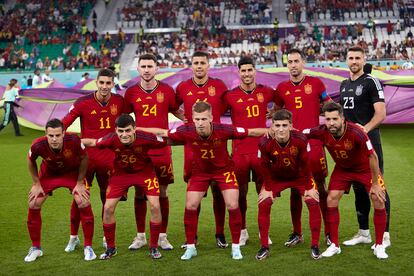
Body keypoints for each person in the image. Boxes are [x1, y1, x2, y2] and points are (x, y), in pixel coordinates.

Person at [139, 101, 268, 260]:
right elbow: (162, 132)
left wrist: (272, 131)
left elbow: (252, 132)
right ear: (192, 118)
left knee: (232, 204)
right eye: (197, 119)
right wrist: (137, 129)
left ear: (211, 118)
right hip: (200, 173)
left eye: (203, 119)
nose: (200, 123)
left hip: (223, 172)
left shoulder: (223, 129)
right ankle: (191, 246)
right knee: (191, 205)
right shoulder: (186, 130)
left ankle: (235, 247)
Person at [304, 102, 388, 259]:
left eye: (334, 119)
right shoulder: (322, 131)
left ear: (342, 119)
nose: (331, 123)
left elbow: (373, 156)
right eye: (327, 119)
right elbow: (301, 133)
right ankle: (335, 245)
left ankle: (379, 245)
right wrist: (278, 131)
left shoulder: (357, 132)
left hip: (364, 169)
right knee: (331, 198)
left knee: (378, 198)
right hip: (343, 169)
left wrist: (376, 184)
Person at [82, 114, 165, 260]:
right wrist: (72, 141)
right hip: (120, 175)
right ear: (116, 130)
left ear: (134, 129)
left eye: (127, 130)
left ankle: (153, 247)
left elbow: (167, 140)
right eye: (121, 131)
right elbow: (93, 142)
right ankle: (111, 248)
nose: (124, 134)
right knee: (107, 208)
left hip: (145, 173)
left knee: (155, 206)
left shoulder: (146, 137)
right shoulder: (111, 139)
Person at [62, 68, 126, 251]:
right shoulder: (83, 102)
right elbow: (64, 124)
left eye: (108, 83)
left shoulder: (120, 102)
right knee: (79, 198)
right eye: (102, 82)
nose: (105, 86)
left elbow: (132, 120)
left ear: (113, 84)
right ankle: (73, 237)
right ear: (96, 83)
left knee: (108, 198)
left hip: (110, 158)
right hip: (86, 159)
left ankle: (107, 236)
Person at [124, 53, 182, 250]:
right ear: (138, 69)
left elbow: (178, 111)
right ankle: (140, 236)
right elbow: (123, 119)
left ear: (157, 68)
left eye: (150, 66)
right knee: (140, 193)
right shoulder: (131, 92)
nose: (147, 70)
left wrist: (193, 124)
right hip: (140, 152)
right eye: (143, 66)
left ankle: (163, 236)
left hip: (162, 150)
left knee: (163, 192)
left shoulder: (166, 90)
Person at [274, 48, 332, 247]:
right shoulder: (281, 88)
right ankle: (297, 232)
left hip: (314, 144)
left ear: (303, 62)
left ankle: (329, 233)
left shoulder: (316, 83)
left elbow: (330, 106)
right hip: (292, 147)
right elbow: (275, 113)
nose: (292, 65)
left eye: (296, 61)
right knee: (295, 189)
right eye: (289, 62)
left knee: (321, 188)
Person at [339, 46, 391, 248]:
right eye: (350, 57)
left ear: (363, 60)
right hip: (352, 145)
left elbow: (381, 113)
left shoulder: (371, 82)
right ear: (346, 60)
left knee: (378, 187)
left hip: (370, 141)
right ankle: (364, 233)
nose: (354, 61)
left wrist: (365, 129)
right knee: (359, 187)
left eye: (357, 58)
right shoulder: (343, 84)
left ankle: (385, 235)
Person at [175, 51, 229, 248]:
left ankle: (220, 234)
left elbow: (226, 107)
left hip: (216, 144)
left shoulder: (219, 86)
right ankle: (193, 237)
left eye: (202, 63)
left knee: (217, 190)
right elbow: (174, 106)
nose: (199, 66)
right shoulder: (182, 87)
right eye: (196, 63)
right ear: (191, 65)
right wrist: (186, 121)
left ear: (208, 65)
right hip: (193, 147)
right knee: (193, 192)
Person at [24, 119, 95, 262]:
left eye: (57, 135)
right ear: (46, 134)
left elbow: (84, 158)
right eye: (51, 135)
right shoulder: (37, 145)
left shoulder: (74, 140)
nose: (54, 139)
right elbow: (31, 161)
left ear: (63, 133)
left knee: (82, 201)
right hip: (49, 175)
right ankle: (36, 248)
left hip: (72, 174)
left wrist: (80, 182)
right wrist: (36, 183)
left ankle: (88, 247)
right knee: (33, 203)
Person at [256, 109, 322, 260]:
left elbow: (306, 164)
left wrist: (309, 187)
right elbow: (264, 167)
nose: (280, 129)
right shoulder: (264, 142)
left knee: (313, 201)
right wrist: (267, 187)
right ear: (271, 126)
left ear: (291, 126)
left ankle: (315, 245)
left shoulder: (301, 139)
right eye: (277, 125)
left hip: (300, 176)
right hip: (276, 178)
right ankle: (264, 246)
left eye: (284, 125)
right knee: (264, 202)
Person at [223, 56, 275, 245]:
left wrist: (274, 111)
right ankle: (243, 230)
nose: (246, 74)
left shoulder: (266, 91)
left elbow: (282, 103)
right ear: (239, 72)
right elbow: (215, 113)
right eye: (243, 70)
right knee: (241, 193)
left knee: (263, 193)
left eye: (249, 70)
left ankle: (264, 232)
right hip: (239, 152)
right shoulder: (230, 95)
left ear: (255, 70)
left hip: (261, 150)